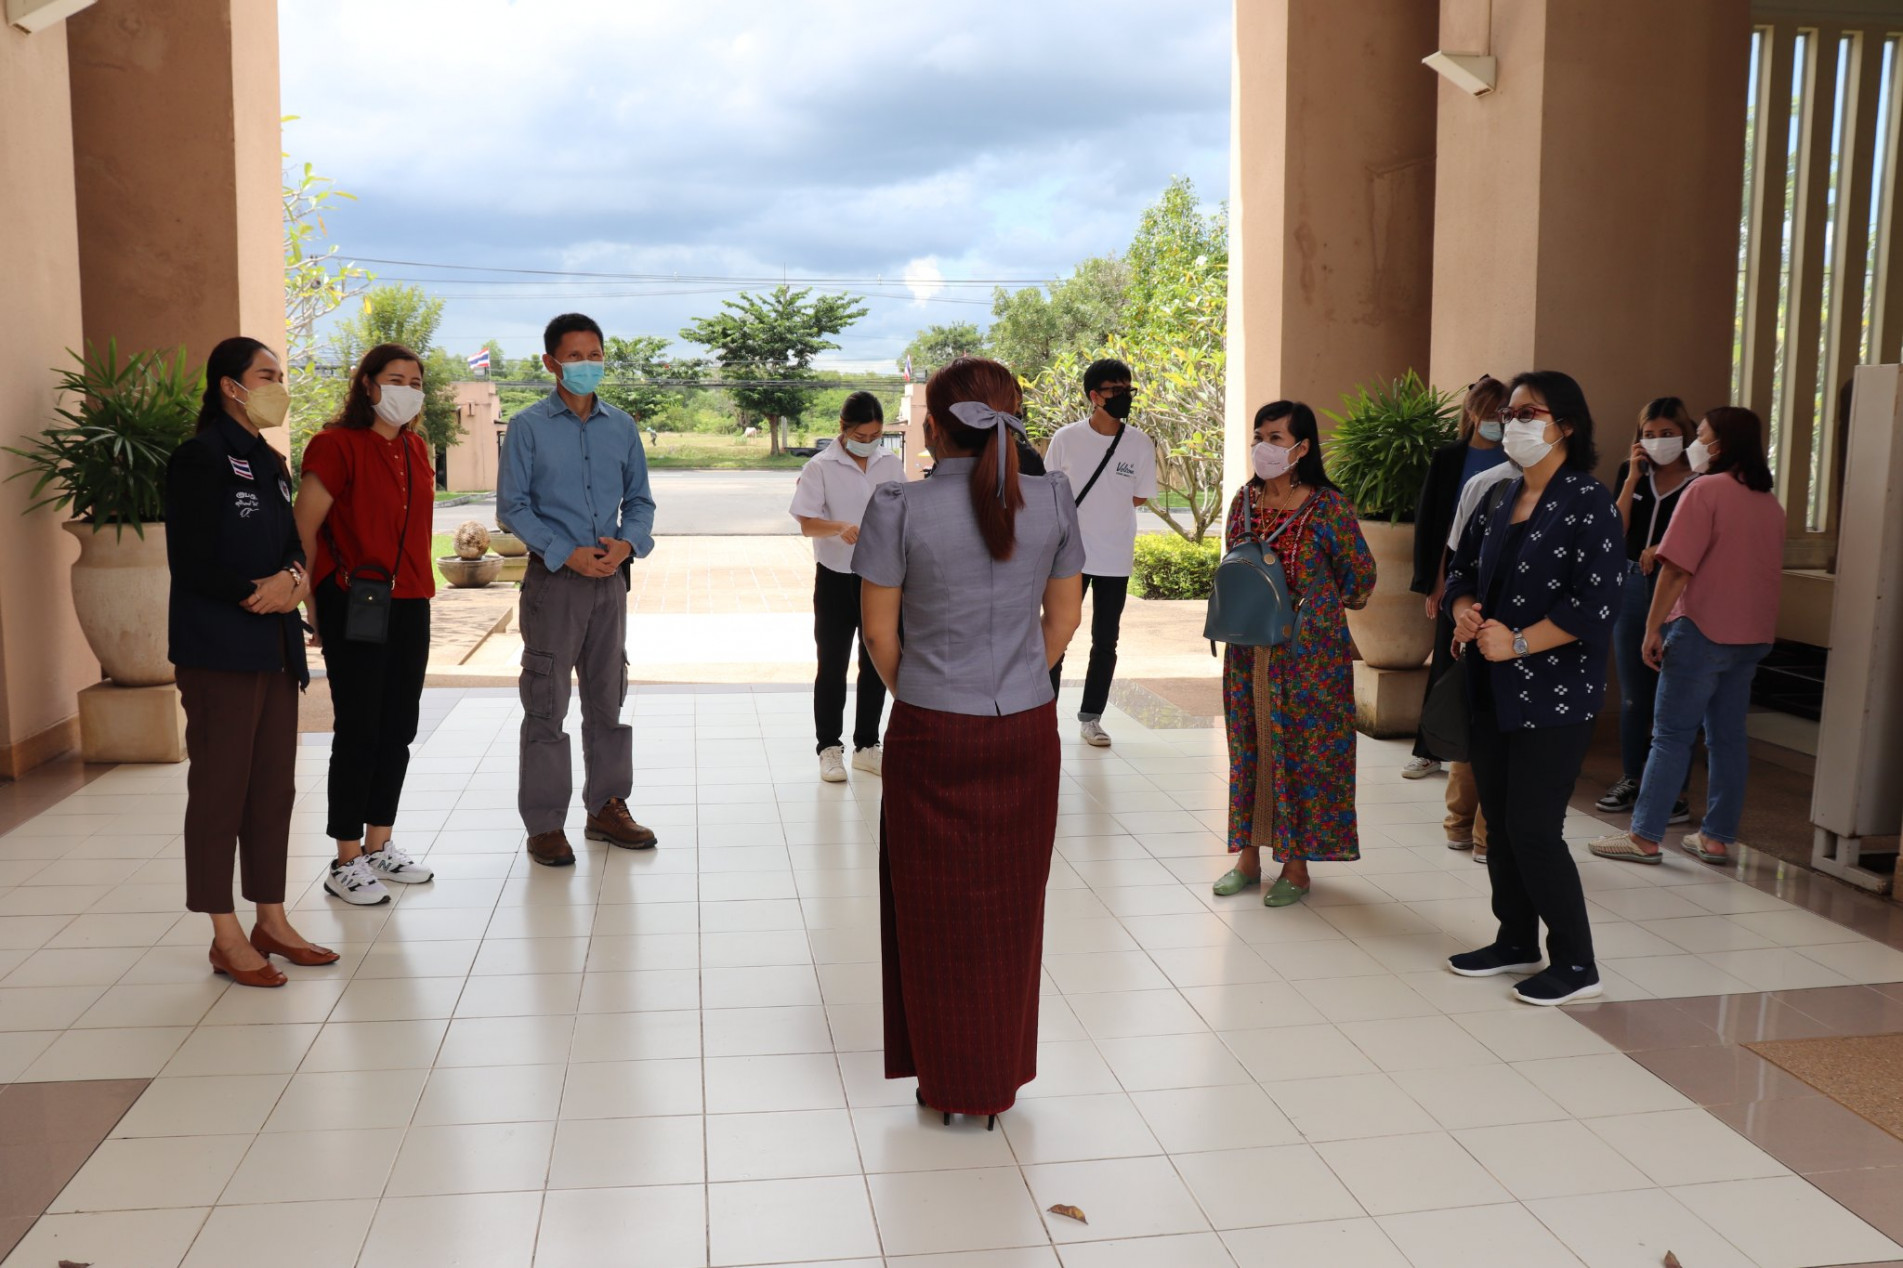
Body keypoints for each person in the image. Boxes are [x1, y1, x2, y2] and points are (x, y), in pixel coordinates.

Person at [854, 356, 1084, 1127]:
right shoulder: (1052, 501)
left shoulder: (899, 507)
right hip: (1024, 728)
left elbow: (879, 634)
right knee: (1011, 910)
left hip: (928, 725)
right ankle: (996, 1080)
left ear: (932, 428)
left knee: (928, 911)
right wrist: (1014, 680)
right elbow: (1063, 622)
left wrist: (926, 690)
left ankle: (939, 1077)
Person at [1444, 371, 1623, 1006]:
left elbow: (1596, 603)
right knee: (1499, 817)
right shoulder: (1498, 495)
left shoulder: (1589, 500)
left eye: (1528, 412)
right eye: (1509, 413)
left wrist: (1518, 642)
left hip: (1554, 693)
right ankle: (1515, 938)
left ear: (1564, 425)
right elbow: (1461, 570)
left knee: (1534, 826)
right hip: (1491, 688)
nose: (1512, 422)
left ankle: (1576, 963)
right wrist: (1465, 608)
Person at [166, 336, 335, 987]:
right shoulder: (199, 459)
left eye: (279, 374)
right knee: (220, 792)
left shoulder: (269, 460)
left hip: (274, 648)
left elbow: (295, 541)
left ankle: (270, 917)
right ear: (230, 386)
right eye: (266, 375)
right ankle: (224, 932)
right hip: (219, 653)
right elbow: (194, 558)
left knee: (272, 789)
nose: (278, 384)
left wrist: (294, 577)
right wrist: (253, 592)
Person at [498, 313, 659, 868]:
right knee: (547, 704)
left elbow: (640, 501)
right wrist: (564, 551)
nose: (587, 364)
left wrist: (628, 545)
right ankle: (545, 825)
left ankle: (607, 807)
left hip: (609, 582)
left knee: (607, 697)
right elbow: (512, 506)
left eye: (595, 354)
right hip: (555, 584)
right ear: (550, 363)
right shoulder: (526, 427)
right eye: (575, 355)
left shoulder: (622, 427)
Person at [1589, 407, 1783, 866]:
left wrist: (1653, 626)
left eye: (1702, 436)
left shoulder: (1704, 490)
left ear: (1721, 445)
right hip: (1751, 636)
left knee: (1671, 734)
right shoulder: (1768, 502)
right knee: (1728, 738)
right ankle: (1715, 837)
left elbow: (1675, 569)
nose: (1696, 443)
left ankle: (1644, 836)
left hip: (1699, 630)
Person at [1211, 402, 1376, 907]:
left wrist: (1318, 605)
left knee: (1303, 756)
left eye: (1276, 438)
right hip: (1248, 653)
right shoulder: (1244, 502)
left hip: (1309, 658)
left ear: (1302, 448)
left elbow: (1361, 578)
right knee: (1250, 747)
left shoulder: (1328, 507)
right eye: (1259, 435)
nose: (1265, 446)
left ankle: (1298, 867)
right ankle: (1248, 857)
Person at [295, 343, 439, 906]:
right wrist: (310, 602)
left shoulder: (416, 447)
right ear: (368, 385)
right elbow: (304, 528)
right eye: (395, 378)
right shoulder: (335, 445)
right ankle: (346, 857)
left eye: (416, 381)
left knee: (399, 724)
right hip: (353, 600)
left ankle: (380, 844)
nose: (407, 389)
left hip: (411, 600)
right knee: (359, 727)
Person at [790, 390, 904, 782]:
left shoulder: (890, 462)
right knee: (833, 663)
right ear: (843, 428)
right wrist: (838, 527)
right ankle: (829, 748)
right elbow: (806, 523)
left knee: (876, 661)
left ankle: (868, 745)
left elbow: (904, 511)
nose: (870, 443)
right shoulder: (821, 466)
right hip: (836, 576)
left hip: (881, 577)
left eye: (876, 436)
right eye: (863, 435)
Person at [1043, 358, 1158, 747]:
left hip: (1114, 555)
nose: (1123, 397)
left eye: (1127, 390)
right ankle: (1044, 716)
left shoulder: (1140, 443)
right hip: (1067, 556)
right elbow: (1050, 490)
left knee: (1105, 639)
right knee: (1057, 632)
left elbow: (1140, 495)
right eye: (1114, 391)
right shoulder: (1066, 439)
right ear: (1094, 396)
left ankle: (1092, 717)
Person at [1405, 375, 1511, 782]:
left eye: (1502, 415)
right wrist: (1436, 582)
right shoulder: (1450, 458)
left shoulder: (1514, 459)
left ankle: (1470, 750)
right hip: (1456, 578)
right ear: (1472, 413)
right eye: (1489, 414)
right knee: (1445, 662)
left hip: (1496, 579)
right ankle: (1428, 748)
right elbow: (1434, 524)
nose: (1496, 423)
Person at [1597, 396, 1698, 821]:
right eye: (1650, 435)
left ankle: (1671, 791)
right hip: (1631, 585)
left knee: (1673, 694)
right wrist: (1631, 481)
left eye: (1668, 434)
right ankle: (1633, 778)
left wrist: (1663, 550)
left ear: (1685, 434)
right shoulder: (1632, 475)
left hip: (1678, 589)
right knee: (1635, 695)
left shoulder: (1700, 482)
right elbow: (1615, 534)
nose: (1658, 442)